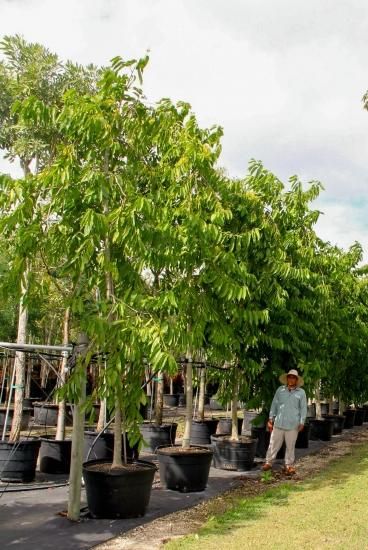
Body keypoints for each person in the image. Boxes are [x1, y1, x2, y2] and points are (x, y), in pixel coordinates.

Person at [262, 368, 307, 475]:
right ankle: (268, 462)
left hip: (293, 424)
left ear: (296, 380)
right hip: (278, 422)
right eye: (289, 377)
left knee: (290, 446)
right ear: (287, 379)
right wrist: (270, 419)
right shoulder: (280, 390)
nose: (291, 379)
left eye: (293, 378)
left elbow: (303, 408)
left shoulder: (301, 393)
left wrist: (302, 422)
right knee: (273, 444)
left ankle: (289, 465)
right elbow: (274, 404)